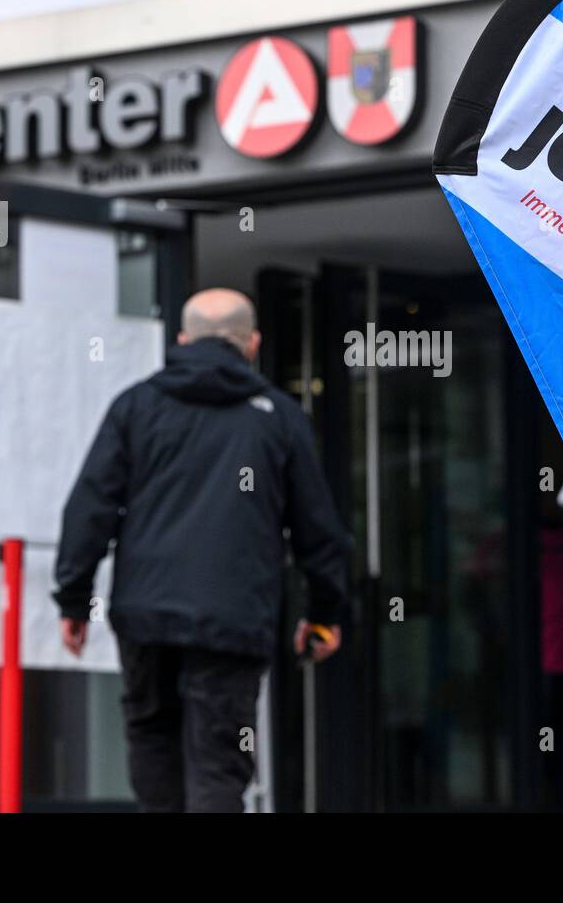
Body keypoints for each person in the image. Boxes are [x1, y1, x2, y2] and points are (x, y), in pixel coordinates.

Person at [52, 287, 350, 812]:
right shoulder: (279, 417)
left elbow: (90, 509)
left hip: (145, 615)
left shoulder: (136, 407)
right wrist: (324, 612)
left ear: (183, 339)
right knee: (219, 760)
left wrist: (73, 600)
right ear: (252, 343)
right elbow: (317, 529)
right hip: (234, 618)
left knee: (152, 741)